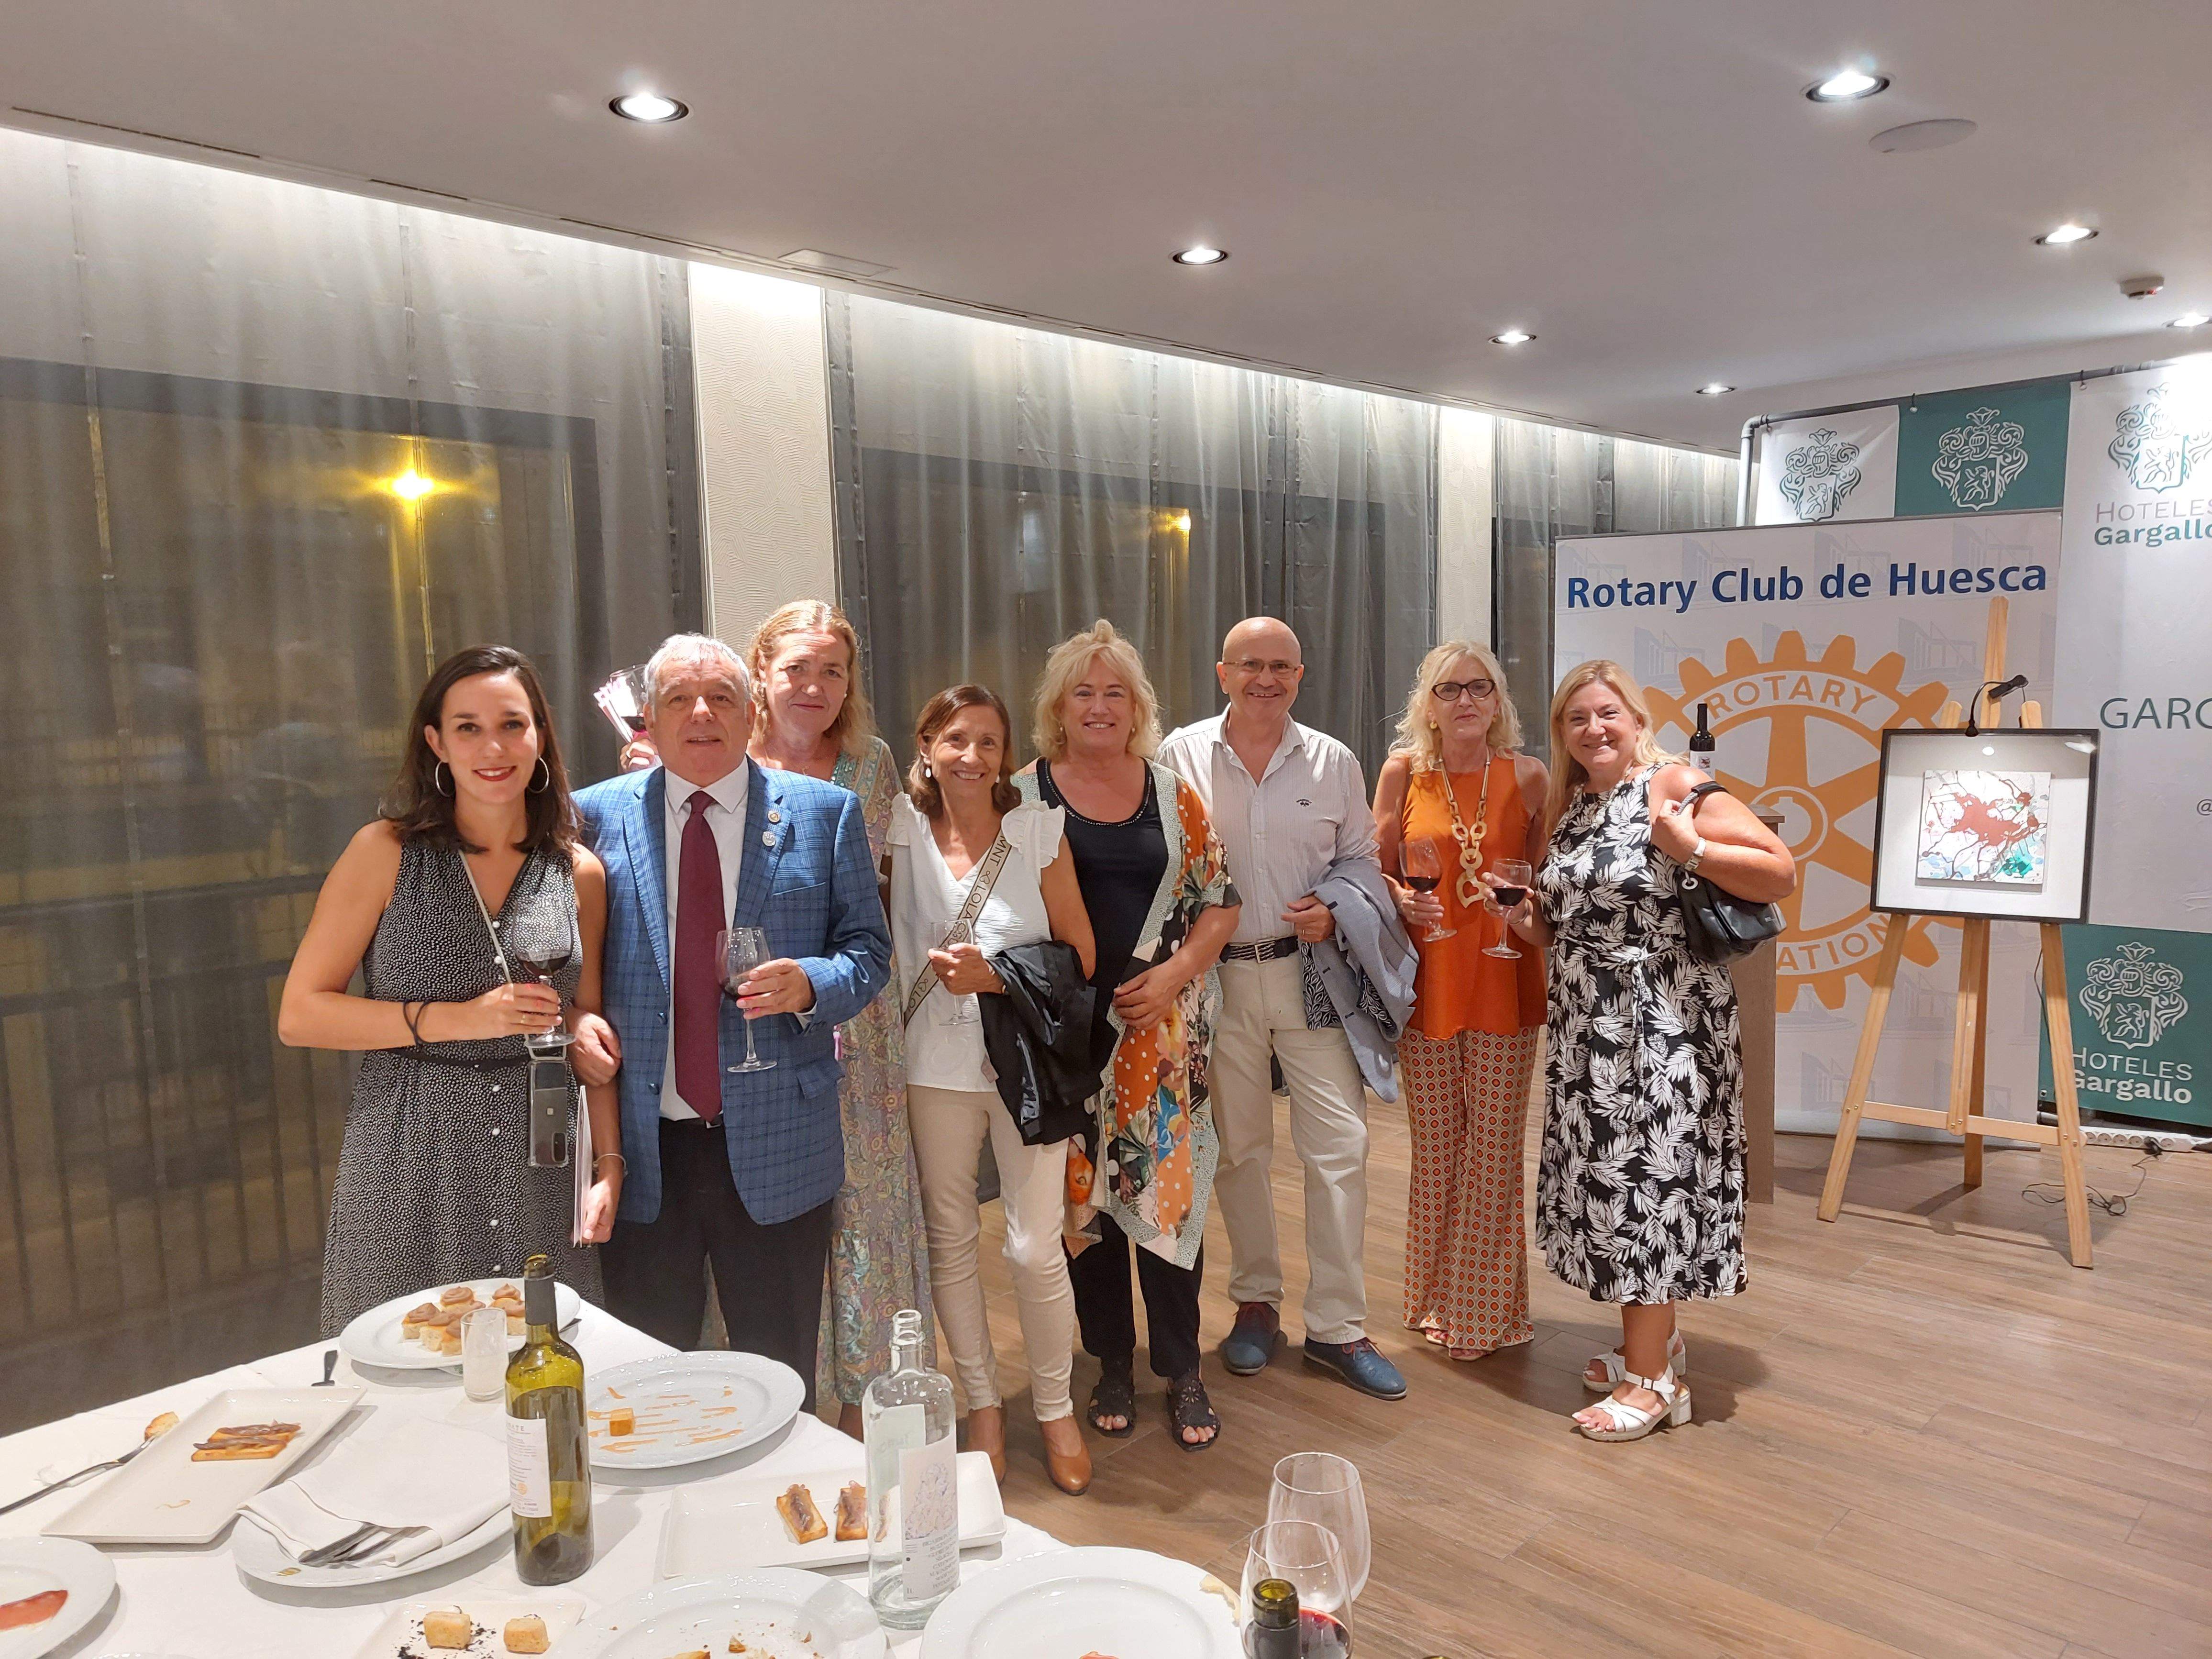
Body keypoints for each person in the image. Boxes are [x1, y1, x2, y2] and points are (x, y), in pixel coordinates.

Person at [571, 633, 892, 1405]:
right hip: (645, 1153)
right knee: (651, 1381)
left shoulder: (826, 814)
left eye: (721, 697)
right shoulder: (592, 817)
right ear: (649, 716)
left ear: (750, 712)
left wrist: (811, 984)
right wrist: (577, 1021)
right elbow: (562, 960)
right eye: (679, 698)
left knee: (779, 1378)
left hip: (780, 1141)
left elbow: (868, 953)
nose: (702, 713)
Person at [1492, 659, 1793, 1441]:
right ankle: (1655, 1339)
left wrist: (1688, 846)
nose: (1593, 729)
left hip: (1660, 1026)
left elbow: (1778, 874)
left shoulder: (1674, 786)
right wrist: (1532, 923)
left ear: (1634, 717)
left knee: (1646, 1187)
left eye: (1606, 713)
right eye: (1575, 719)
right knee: (1608, 1185)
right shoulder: (1576, 804)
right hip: (1587, 1026)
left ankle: (1654, 1382)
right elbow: (1573, 920)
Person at [281, 644, 621, 1330]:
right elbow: (300, 1015)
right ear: (436, 741)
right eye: (468, 727)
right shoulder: (385, 851)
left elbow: (589, 1022)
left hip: (541, 1153)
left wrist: (609, 1165)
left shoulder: (577, 869)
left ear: (541, 736)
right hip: (411, 1144)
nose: (493, 747)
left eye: (512, 724)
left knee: (539, 1357)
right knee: (399, 1360)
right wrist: (459, 1019)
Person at [1158, 618, 1407, 1402]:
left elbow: (1361, 857)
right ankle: (1257, 1305)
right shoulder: (1179, 755)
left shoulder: (1333, 759)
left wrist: (1335, 908)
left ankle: (1337, 1326)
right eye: (1251, 666)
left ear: (1300, 676)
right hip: (1218, 978)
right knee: (1238, 1151)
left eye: (1282, 668)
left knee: (1340, 1145)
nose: (1267, 679)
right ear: (1223, 672)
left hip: (1310, 973)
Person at [1018, 621, 1241, 1450]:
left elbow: (1223, 900)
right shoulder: (1025, 793)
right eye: (1084, 692)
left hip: (1162, 1042)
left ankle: (1181, 1368)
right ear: (1058, 708)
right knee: (1084, 1211)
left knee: (1169, 1206)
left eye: (1116, 693)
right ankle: (1111, 1359)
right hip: (1069, 1045)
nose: (1100, 706)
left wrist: (1178, 972)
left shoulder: (1172, 792)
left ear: (1138, 707)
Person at [889, 684, 1096, 1493]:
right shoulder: (899, 833)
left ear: (1006, 754)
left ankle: (1053, 1407)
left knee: (1033, 1245)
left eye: (987, 741)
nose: (970, 757)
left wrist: (999, 977)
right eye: (954, 740)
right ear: (927, 748)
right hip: (928, 1067)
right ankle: (980, 1402)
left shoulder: (1039, 830)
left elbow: (1079, 954)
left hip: (1026, 1072)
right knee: (949, 1238)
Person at [1371, 641, 1548, 1362]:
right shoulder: (1402, 774)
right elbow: (1371, 872)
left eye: (1480, 688)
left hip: (1505, 978)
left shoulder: (1531, 777)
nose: (1466, 700)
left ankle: (1481, 1317)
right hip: (1428, 983)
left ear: (1499, 701)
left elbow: (1543, 877)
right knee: (1439, 1148)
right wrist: (1398, 902)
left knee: (1496, 1150)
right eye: (1450, 689)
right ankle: (1431, 1299)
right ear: (1429, 704)